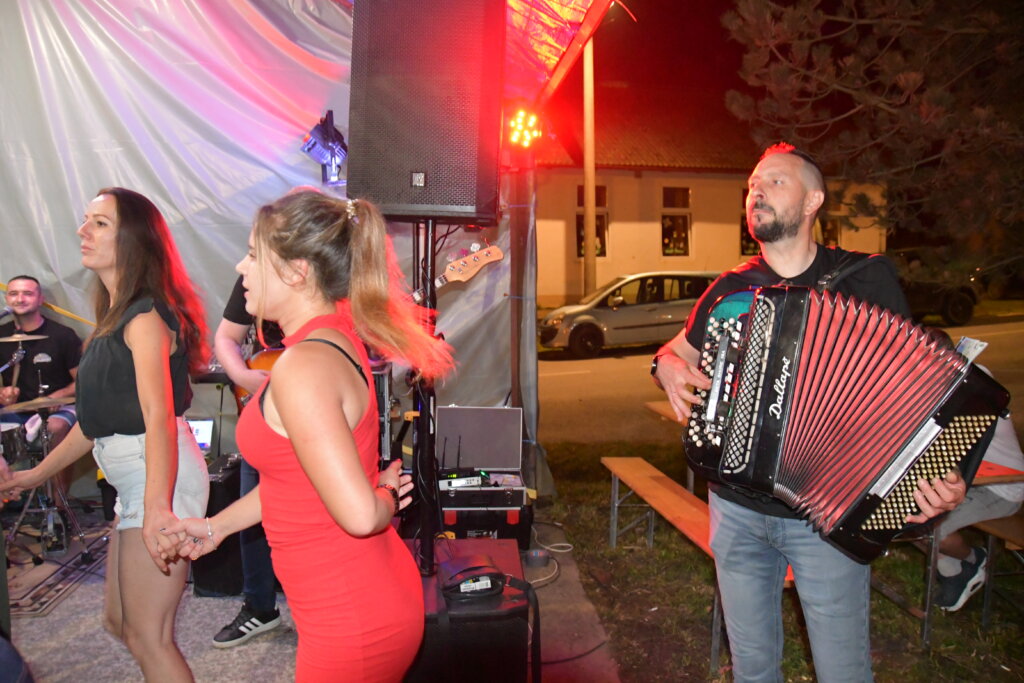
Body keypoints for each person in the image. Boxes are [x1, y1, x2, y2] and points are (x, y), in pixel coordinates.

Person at [652, 143, 967, 682]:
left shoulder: (865, 281)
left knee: (842, 672)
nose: (757, 191)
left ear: (813, 200)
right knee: (752, 670)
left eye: (775, 181)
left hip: (825, 515)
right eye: (752, 184)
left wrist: (941, 475)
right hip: (736, 510)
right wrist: (665, 367)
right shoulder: (731, 289)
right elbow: (673, 352)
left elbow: (917, 394)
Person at [169, 190, 453, 681]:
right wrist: (218, 527)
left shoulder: (304, 365)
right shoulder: (332, 336)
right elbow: (293, 482)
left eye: (254, 254)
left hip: (352, 616)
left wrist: (384, 491)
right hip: (351, 600)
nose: (241, 266)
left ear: (298, 271)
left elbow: (363, 516)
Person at [0, 188, 209, 681]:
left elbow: (157, 417)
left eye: (99, 223)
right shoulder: (114, 318)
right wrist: (32, 476)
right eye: (85, 220)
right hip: (136, 476)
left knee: (147, 636)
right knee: (120, 622)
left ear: (133, 239)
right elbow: (94, 423)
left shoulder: (145, 317)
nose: (82, 231)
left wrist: (159, 507)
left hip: (159, 477)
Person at [208, 274, 284, 647]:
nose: (243, 263)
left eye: (253, 251)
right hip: (265, 411)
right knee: (253, 514)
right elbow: (225, 336)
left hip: (321, 411)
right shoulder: (252, 277)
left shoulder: (335, 263)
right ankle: (259, 606)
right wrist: (242, 375)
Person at [924, 330, 1024, 612]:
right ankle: (954, 573)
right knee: (912, 521)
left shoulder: (974, 388)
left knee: (931, 528)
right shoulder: (952, 384)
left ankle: (973, 559)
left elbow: (941, 453)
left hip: (1004, 487)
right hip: (975, 481)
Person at [0, 275, 82, 505]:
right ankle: (7, 491)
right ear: (7, 299)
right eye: (14, 293)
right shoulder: (1, 336)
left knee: (55, 427)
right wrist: (3, 393)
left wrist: (57, 396)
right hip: (16, 409)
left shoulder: (62, 336)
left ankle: (58, 504)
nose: (20, 298)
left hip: (61, 406)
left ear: (40, 300)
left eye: (27, 293)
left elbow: (83, 382)